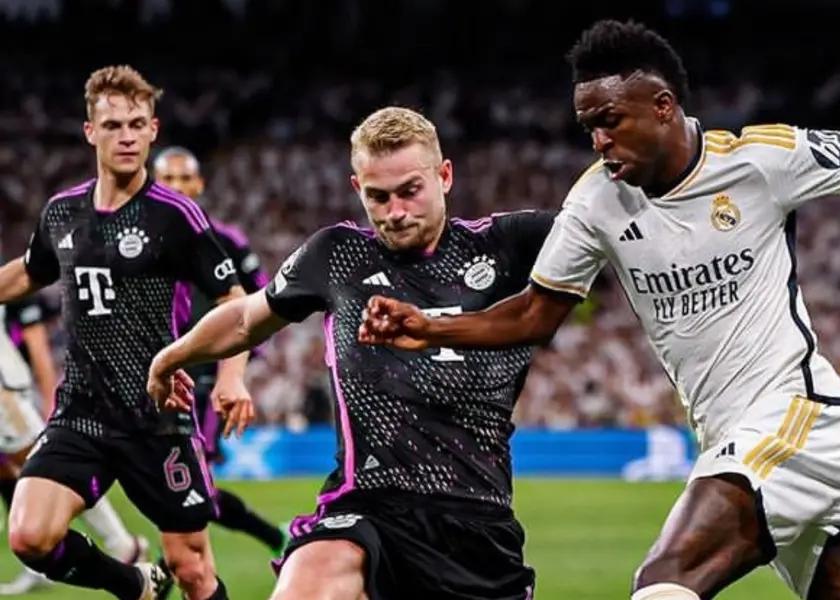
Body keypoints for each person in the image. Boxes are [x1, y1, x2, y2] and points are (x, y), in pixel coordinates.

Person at [358, 20, 840, 600]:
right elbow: (534, 314)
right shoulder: (596, 202)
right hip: (732, 439)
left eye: (609, 122)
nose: (598, 141)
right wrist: (430, 325)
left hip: (797, 420)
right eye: (587, 127)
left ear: (662, 108)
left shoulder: (760, 160)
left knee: (663, 582)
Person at [146, 106, 552, 600]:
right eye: (378, 197)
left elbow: (609, 221)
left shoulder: (509, 245)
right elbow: (246, 318)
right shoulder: (336, 254)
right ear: (357, 188)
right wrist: (170, 358)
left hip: (477, 523)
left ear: (444, 176)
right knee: (310, 578)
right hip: (367, 507)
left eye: (410, 191)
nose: (395, 212)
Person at [0, 65, 254, 600]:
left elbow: (237, 302)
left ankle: (160, 581)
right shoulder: (62, 212)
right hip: (82, 412)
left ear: (154, 130)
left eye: (137, 124)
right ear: (90, 131)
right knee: (28, 535)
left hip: (156, 418)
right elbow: (29, 271)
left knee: (192, 571)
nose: (127, 136)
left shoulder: (176, 216)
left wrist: (233, 378)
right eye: (114, 125)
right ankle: (134, 584)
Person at [153, 146, 287, 556]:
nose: (177, 187)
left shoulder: (226, 240)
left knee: (193, 481)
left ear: (199, 184)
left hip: (205, 377)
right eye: (167, 179)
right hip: (156, 376)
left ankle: (176, 566)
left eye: (184, 179)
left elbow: (261, 301)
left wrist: (237, 368)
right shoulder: (139, 243)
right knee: (173, 482)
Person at [0, 292, 151, 595]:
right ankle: (38, 558)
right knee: (11, 473)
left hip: (5, 396)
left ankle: (123, 546)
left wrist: (47, 395)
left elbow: (38, 344)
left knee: (46, 468)